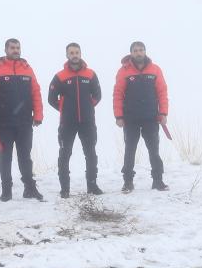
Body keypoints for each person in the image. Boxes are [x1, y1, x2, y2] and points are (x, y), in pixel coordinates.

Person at [0, 38, 44, 201]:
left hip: (25, 122)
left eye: (17, 48)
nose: (15, 50)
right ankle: (6, 190)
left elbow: (36, 93)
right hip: (4, 123)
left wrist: (38, 115)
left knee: (25, 156)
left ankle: (30, 188)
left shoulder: (28, 69)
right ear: (6, 50)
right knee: (5, 157)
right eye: (12, 48)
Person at [46, 42, 103, 197]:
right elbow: (51, 99)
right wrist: (64, 109)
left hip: (87, 123)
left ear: (80, 53)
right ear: (67, 55)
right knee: (64, 154)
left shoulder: (90, 74)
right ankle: (65, 189)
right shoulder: (60, 76)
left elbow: (98, 95)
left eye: (77, 52)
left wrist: (89, 107)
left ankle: (92, 186)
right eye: (71, 53)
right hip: (67, 123)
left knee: (91, 154)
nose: (74, 55)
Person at [113, 41, 169, 192]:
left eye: (141, 50)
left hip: (151, 118)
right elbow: (117, 94)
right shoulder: (123, 71)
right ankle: (128, 182)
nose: (138, 53)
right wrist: (118, 116)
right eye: (135, 50)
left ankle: (158, 180)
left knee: (154, 151)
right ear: (131, 53)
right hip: (130, 119)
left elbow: (162, 92)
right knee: (130, 150)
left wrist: (163, 113)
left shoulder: (155, 69)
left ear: (145, 51)